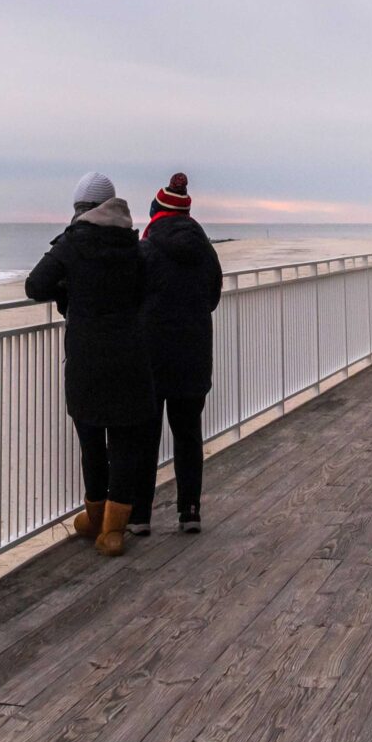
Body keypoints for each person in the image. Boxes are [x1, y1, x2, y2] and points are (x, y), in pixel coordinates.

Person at [24, 172, 157, 557]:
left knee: (91, 440)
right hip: (130, 353)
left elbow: (35, 286)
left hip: (87, 356)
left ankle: (95, 516)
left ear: (81, 208)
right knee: (125, 441)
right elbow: (143, 292)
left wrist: (70, 291)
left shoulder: (73, 243)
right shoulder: (133, 246)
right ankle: (115, 529)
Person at [129, 172, 223, 534]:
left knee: (146, 435)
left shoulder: (146, 248)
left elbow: (133, 294)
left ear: (156, 213)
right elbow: (212, 298)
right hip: (193, 352)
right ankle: (190, 511)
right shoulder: (205, 251)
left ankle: (139, 516)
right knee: (188, 434)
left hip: (150, 356)